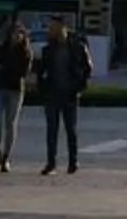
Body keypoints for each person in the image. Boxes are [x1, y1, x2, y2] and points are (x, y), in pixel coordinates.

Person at [35, 17, 94, 176]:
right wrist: (42, 88)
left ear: (64, 27)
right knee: (51, 130)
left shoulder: (77, 47)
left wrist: (80, 86)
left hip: (70, 94)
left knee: (71, 130)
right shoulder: (48, 49)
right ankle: (51, 163)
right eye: (51, 28)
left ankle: (73, 161)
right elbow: (40, 71)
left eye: (55, 27)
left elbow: (88, 68)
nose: (52, 30)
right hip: (52, 94)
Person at [0, 20, 33, 173]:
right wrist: (3, 69)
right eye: (14, 33)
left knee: (11, 124)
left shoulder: (25, 52)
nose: (17, 36)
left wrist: (5, 68)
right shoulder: (0, 49)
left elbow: (22, 72)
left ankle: (6, 157)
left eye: (20, 33)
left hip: (15, 90)